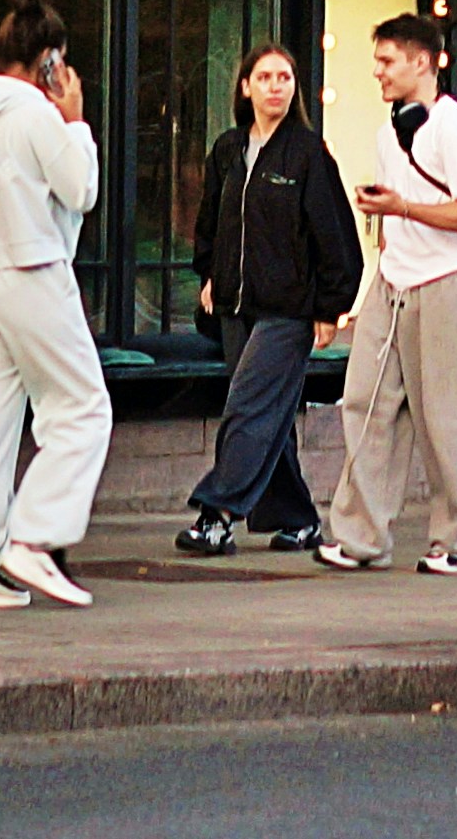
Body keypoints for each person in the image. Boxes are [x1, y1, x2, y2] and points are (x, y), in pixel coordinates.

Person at [0, 0, 108, 612]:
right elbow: (81, 189)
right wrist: (77, 120)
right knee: (83, 407)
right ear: (49, 62)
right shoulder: (36, 114)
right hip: (32, 269)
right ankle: (33, 537)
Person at [315, 14, 457, 578]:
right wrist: (387, 229)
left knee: (450, 418)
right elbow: (396, 212)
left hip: (448, 284)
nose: (378, 71)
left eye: (388, 60)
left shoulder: (455, 128)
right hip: (392, 282)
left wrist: (404, 209)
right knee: (365, 404)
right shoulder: (387, 131)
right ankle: (361, 536)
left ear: (424, 62)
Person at [177, 42, 356, 557]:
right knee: (267, 413)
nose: (276, 86)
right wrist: (208, 273)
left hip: (289, 310)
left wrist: (329, 307)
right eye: (266, 77)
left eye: (285, 77)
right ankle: (297, 519)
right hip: (235, 306)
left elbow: (335, 235)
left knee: (248, 407)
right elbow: (210, 221)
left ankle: (218, 515)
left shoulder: (307, 153)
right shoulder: (228, 149)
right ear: (246, 86)